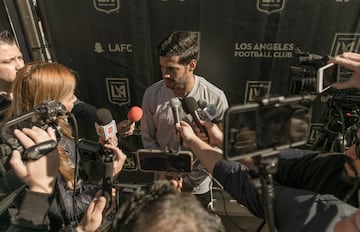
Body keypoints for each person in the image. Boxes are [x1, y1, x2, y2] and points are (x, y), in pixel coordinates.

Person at [1, 61, 127, 230]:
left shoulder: (56, 128)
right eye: (69, 96)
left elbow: (75, 179)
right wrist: (108, 177)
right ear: (48, 105)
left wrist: (102, 162)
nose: (75, 100)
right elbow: (69, 212)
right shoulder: (24, 154)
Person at [175, 120, 358, 231]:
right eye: (355, 141)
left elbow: (256, 192)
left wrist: (194, 142)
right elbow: (277, 164)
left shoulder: (321, 212)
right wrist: (220, 142)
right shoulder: (334, 165)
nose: (348, 152)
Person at [140, 31, 229, 204]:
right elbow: (148, 138)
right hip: (164, 184)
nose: (165, 74)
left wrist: (190, 182)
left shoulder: (214, 98)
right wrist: (166, 175)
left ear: (191, 65)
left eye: (172, 69)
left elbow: (218, 147)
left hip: (198, 188)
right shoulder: (152, 95)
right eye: (162, 67)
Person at [0, 30, 135, 137]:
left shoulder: (37, 82)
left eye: (20, 58)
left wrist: (110, 125)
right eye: (8, 61)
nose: (19, 65)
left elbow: (78, 107)